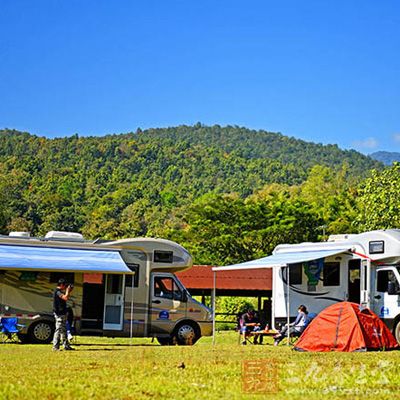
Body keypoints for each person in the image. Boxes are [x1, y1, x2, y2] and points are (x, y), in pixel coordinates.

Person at [52, 279, 74, 351]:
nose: (65, 287)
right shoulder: (57, 292)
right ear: (61, 285)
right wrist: (67, 291)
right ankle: (55, 347)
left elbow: (65, 297)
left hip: (62, 313)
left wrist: (69, 291)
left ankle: (66, 346)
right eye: (65, 285)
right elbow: (65, 297)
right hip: (59, 314)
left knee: (64, 330)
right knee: (58, 330)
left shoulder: (59, 292)